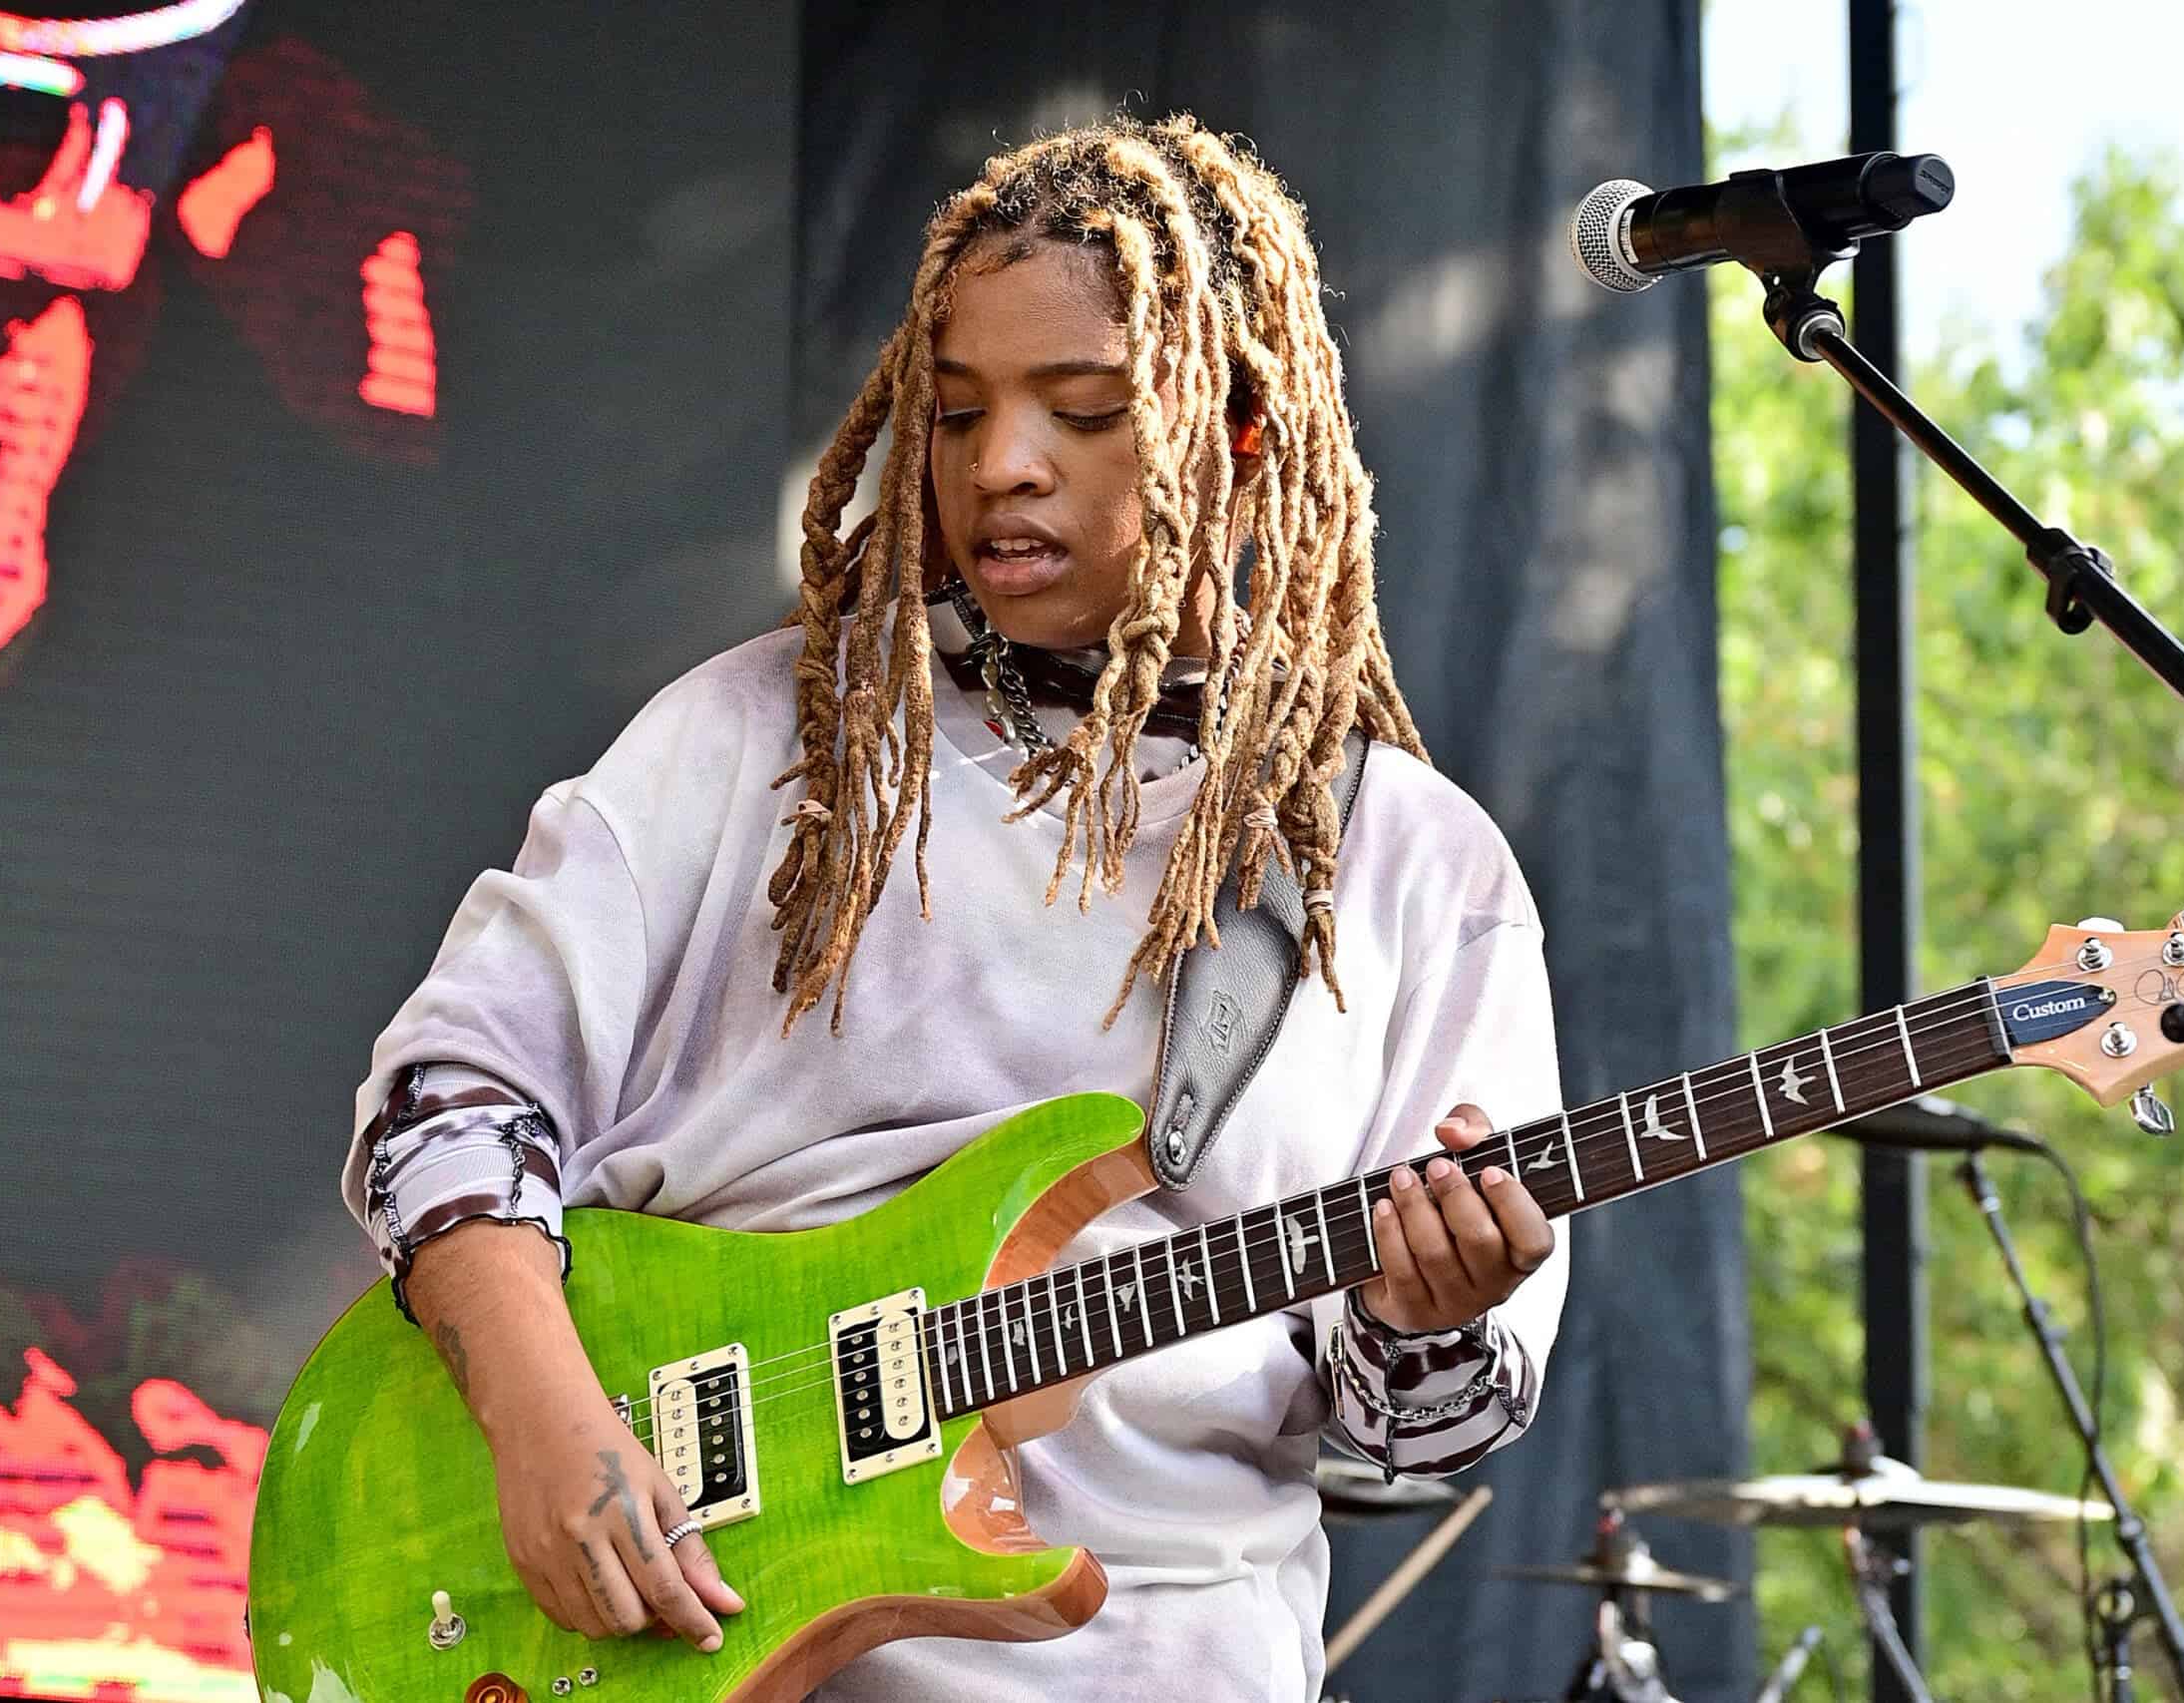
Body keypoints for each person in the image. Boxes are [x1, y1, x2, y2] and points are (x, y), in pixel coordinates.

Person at [342, 113, 1570, 1703]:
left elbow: (1416, 1434)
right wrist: (543, 1417)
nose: (1001, 465)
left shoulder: (1410, 862)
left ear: (1245, 427)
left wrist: (1427, 1321)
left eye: (1086, 410)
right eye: (958, 410)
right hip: (691, 1648)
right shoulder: (765, 736)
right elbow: (446, 1102)